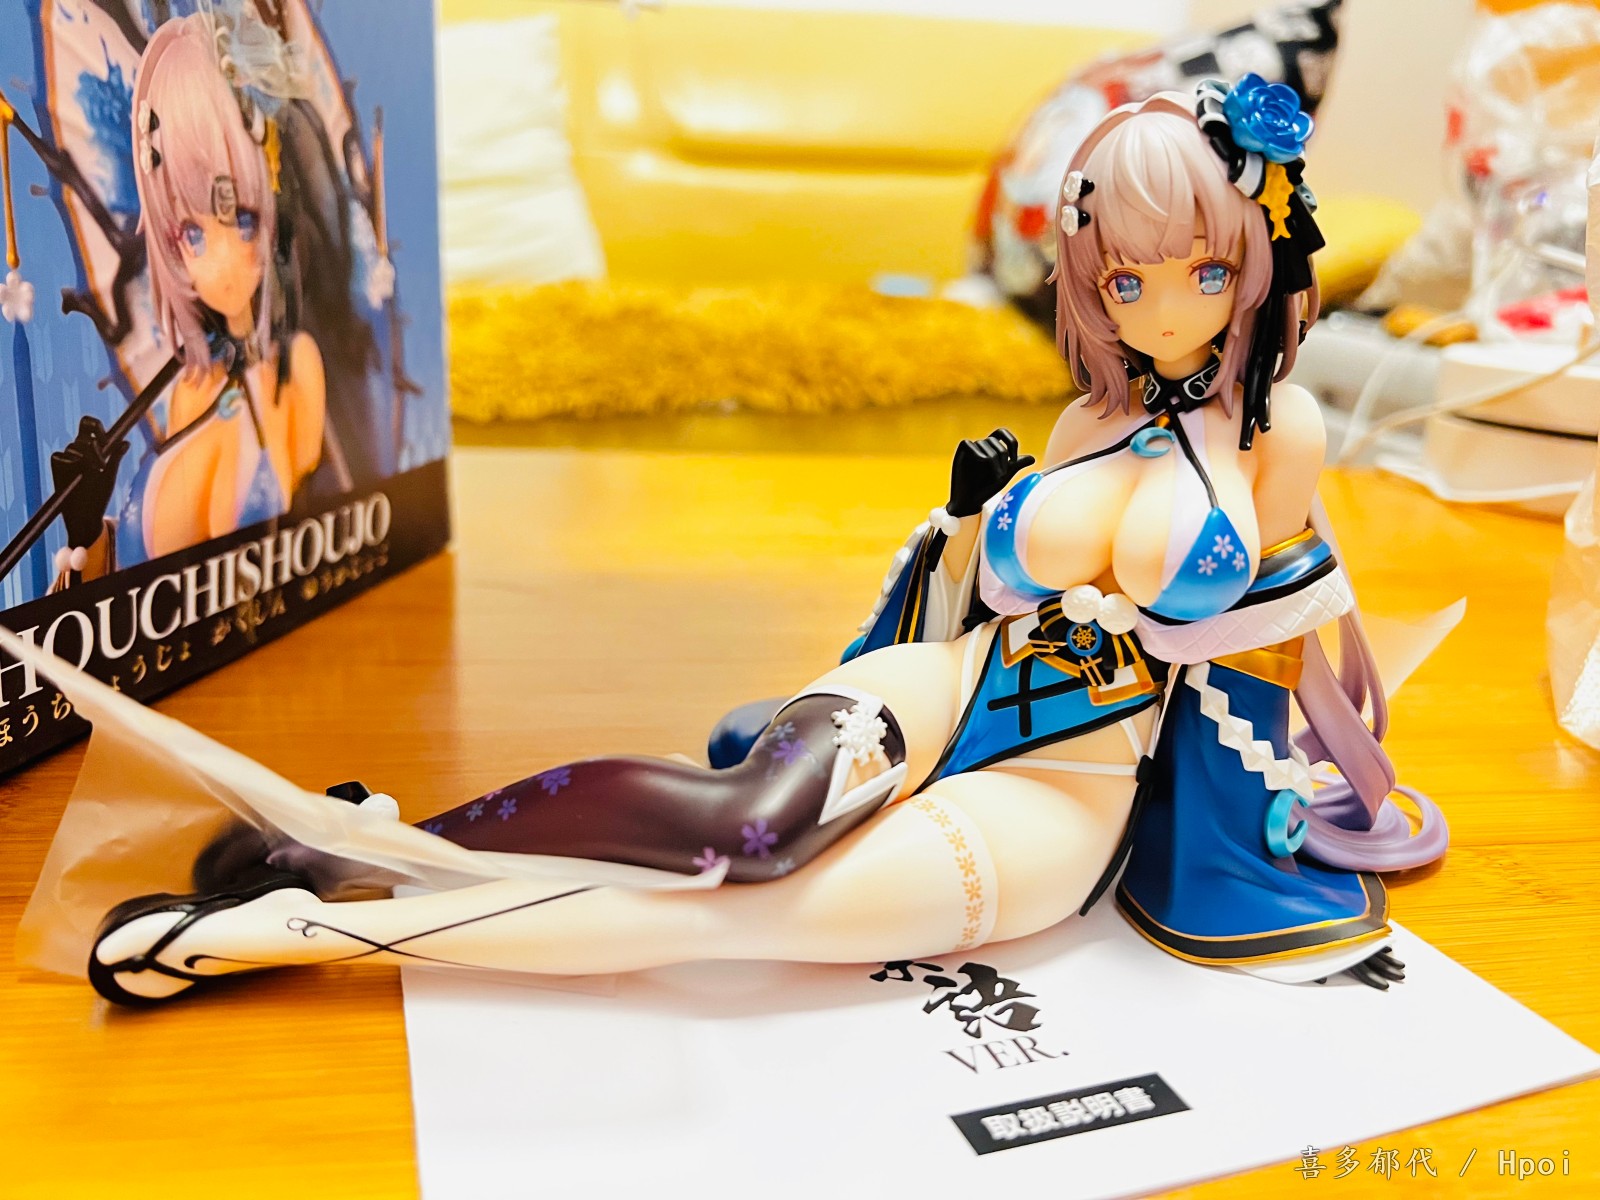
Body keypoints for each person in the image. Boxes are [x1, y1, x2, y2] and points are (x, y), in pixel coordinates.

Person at [84, 78, 1443, 1007]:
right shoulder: (1086, 416)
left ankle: (287, 934)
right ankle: (370, 841)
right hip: (957, 683)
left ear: (1254, 256)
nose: (1160, 308)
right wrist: (977, 527)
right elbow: (989, 583)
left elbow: (1267, 638)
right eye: (1125, 276)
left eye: (1202, 269)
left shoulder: (1279, 431)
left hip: (1069, 785)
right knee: (734, 824)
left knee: (723, 918)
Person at [48, 15, 325, 588]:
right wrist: (86, 534)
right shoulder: (189, 387)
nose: (218, 267)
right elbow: (144, 585)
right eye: (192, 234)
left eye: (242, 221)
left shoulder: (297, 373)